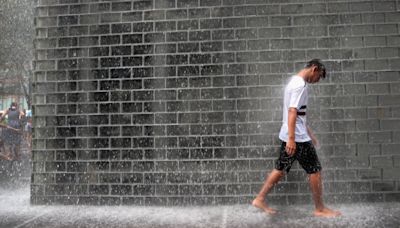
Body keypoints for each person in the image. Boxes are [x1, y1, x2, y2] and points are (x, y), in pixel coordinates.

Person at [252, 59, 341, 218]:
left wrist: (309, 133)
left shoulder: (293, 81)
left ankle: (259, 199)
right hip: (297, 138)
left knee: (280, 169)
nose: (317, 81)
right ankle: (319, 208)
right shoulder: (300, 85)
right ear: (314, 69)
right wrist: (293, 139)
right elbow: (292, 111)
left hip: (290, 133)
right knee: (315, 171)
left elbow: (297, 113)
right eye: (318, 77)